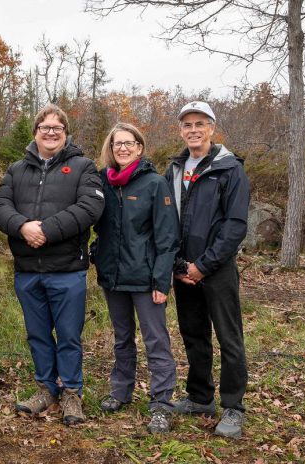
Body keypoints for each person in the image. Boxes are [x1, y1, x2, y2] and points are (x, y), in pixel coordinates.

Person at [0, 104, 104, 425]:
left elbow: (91, 206)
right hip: (27, 270)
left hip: (67, 269)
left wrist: (47, 230)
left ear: (66, 134)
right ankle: (45, 390)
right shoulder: (16, 170)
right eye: (45, 127)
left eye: (57, 128)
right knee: (38, 335)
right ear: (35, 133)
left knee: (68, 335)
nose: (50, 132)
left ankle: (71, 393)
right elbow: (0, 206)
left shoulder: (83, 167)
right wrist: (23, 226)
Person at [166, 101, 250, 438]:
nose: (194, 130)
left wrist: (204, 265)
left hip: (216, 269)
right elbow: (165, 221)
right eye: (187, 125)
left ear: (212, 129)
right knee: (193, 334)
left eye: (200, 124)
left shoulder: (230, 169)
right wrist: (179, 264)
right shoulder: (173, 169)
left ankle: (233, 406)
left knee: (229, 338)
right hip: (183, 271)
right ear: (181, 131)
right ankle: (200, 397)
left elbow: (235, 225)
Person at [92, 123, 179, 433]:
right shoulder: (103, 181)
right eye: (117, 144)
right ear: (110, 149)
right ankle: (121, 390)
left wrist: (161, 281)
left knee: (156, 340)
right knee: (122, 337)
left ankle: (161, 403)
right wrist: (96, 252)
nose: (123, 149)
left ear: (140, 148)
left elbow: (167, 237)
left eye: (129, 143)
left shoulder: (154, 184)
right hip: (113, 276)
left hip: (145, 278)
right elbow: (99, 226)